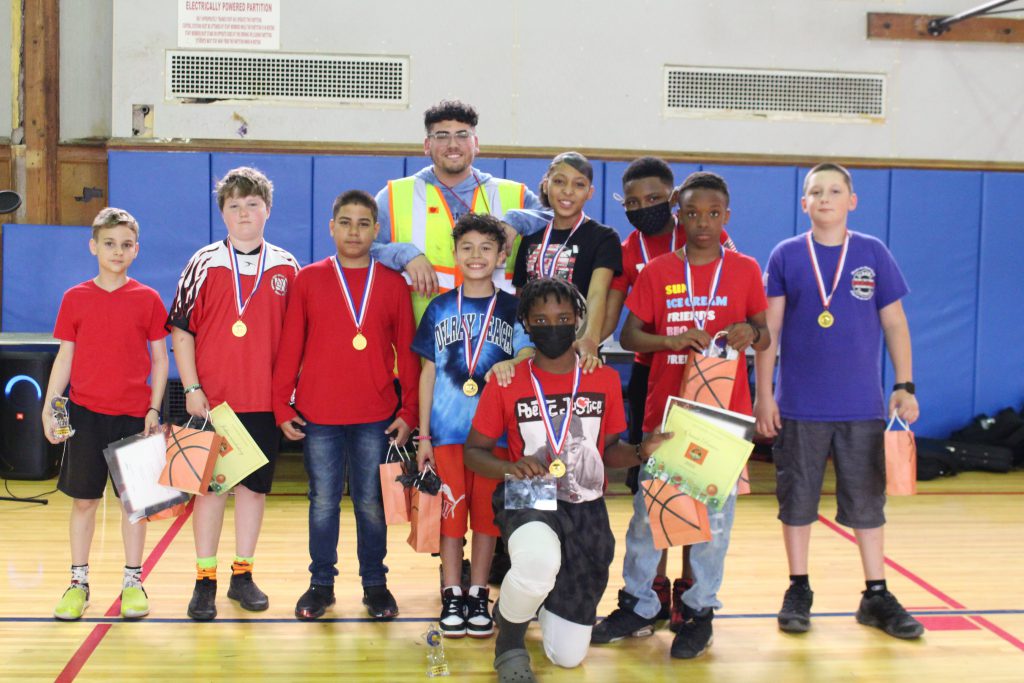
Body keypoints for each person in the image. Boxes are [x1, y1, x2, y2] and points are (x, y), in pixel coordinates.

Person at [592, 171, 770, 659]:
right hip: (668, 413)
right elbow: (628, 338)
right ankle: (639, 603)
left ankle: (699, 610)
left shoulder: (746, 269)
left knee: (713, 519)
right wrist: (668, 341)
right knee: (650, 517)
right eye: (692, 214)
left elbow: (764, 332)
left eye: (713, 214)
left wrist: (748, 334)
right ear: (679, 215)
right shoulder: (657, 271)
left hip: (724, 417)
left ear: (726, 217)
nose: (703, 223)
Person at [464, 277, 671, 679]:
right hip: (528, 492)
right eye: (540, 319)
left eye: (562, 317)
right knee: (537, 564)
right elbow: (474, 452)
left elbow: (609, 452)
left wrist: (643, 450)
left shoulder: (604, 379)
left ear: (578, 319)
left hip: (584, 502)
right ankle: (508, 642)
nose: (553, 326)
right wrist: (510, 467)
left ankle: (536, 598)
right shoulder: (507, 379)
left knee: (568, 656)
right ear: (525, 322)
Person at [754, 162, 922, 639]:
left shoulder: (873, 252)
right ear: (803, 203)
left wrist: (904, 385)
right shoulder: (787, 255)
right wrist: (764, 395)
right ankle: (799, 587)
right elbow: (770, 332)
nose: (824, 198)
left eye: (834, 190)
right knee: (797, 501)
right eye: (815, 192)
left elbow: (895, 324)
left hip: (862, 407)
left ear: (852, 200)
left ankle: (875, 594)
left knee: (867, 503)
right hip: (800, 407)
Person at [602, 157, 738, 628]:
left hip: (709, 380)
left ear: (674, 198)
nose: (646, 209)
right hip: (654, 377)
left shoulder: (711, 240)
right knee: (655, 490)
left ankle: (690, 591)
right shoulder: (631, 249)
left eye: (655, 199)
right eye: (634, 203)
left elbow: (741, 314)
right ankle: (651, 588)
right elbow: (620, 321)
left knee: (702, 491)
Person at [272, 190, 418, 621]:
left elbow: (408, 355)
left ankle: (375, 584)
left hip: (375, 415)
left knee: (371, 502)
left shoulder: (393, 284)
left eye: (363, 223)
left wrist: (408, 412)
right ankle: (321, 584)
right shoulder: (309, 279)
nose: (354, 231)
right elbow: (290, 346)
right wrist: (281, 405)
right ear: (331, 227)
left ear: (377, 230)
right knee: (323, 502)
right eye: (346, 222)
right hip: (319, 415)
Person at [168, 167, 300, 621]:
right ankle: (204, 579)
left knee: (254, 493)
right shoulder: (203, 262)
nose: (244, 212)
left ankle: (242, 575)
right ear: (222, 212)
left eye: (252, 204)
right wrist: (191, 388)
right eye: (234, 205)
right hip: (212, 402)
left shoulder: (287, 265)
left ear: (268, 209)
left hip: (264, 402)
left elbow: (298, 340)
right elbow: (181, 332)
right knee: (209, 494)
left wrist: (289, 396)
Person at [43, 207, 168, 621]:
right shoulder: (74, 298)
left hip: (135, 417)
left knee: (136, 506)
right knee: (83, 503)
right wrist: (51, 405)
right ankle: (78, 582)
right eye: (110, 244)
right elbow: (65, 357)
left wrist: (153, 407)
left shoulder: (148, 298)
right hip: (85, 416)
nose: (118, 251)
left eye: (126, 245)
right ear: (93, 246)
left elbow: (160, 359)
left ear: (136, 250)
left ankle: (133, 581)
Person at [411, 213, 533, 638]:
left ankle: (479, 592)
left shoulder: (515, 307)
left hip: (494, 437)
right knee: (450, 517)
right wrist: (423, 435)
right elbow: (427, 372)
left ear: (502, 255)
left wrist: (514, 361)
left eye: (486, 248)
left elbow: (529, 355)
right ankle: (451, 593)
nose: (476, 255)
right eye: (468, 248)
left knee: (486, 520)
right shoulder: (439, 307)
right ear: (456, 254)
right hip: (445, 433)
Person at [372, 99, 544, 323]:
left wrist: (517, 220)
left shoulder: (512, 195)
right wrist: (403, 254)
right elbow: (364, 248)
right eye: (442, 136)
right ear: (427, 145)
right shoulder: (395, 194)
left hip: (495, 338)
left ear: (476, 143)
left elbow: (557, 218)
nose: (453, 144)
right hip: (421, 337)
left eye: (462, 135)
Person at [508, 151, 623, 362]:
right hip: (533, 350)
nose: (568, 191)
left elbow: (597, 294)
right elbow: (521, 301)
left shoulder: (604, 237)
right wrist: (524, 348)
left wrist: (589, 340)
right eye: (559, 181)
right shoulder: (530, 239)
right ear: (545, 185)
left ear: (590, 192)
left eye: (579, 185)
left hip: (578, 348)